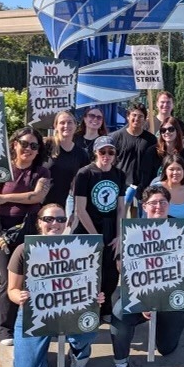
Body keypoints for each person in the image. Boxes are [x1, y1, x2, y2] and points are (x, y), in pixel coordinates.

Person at [108, 185, 184, 367]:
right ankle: (120, 363)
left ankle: (165, 329)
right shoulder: (132, 231)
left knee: (166, 348)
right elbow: (121, 266)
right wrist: (144, 300)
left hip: (177, 295)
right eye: (153, 202)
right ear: (144, 206)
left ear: (169, 204)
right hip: (141, 292)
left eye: (163, 202)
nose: (158, 206)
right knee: (119, 315)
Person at [7, 203, 105, 367]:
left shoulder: (79, 249)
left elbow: (89, 284)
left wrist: (95, 298)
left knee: (89, 325)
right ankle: (33, 357)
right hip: (34, 313)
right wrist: (18, 296)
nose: (55, 223)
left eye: (60, 219)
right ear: (39, 222)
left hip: (71, 309)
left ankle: (79, 353)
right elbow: (11, 289)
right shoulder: (24, 250)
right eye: (49, 219)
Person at [0, 126, 50, 346]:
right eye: (24, 143)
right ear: (14, 144)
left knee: (28, 276)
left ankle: (30, 319)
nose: (28, 149)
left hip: (30, 228)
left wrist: (4, 198)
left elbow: (36, 196)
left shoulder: (42, 172)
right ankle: (2, 328)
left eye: (34, 145)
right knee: (7, 277)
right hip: (4, 229)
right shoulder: (1, 170)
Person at [74, 135, 125, 318]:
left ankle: (105, 307)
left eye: (111, 152)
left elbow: (121, 207)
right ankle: (86, 308)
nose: (106, 155)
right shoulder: (85, 174)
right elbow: (80, 209)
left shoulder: (119, 174)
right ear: (95, 152)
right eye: (102, 151)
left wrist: (119, 235)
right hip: (88, 227)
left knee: (110, 273)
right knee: (87, 270)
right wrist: (96, 238)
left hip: (110, 226)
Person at [43, 110, 88, 223]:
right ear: (55, 126)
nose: (66, 126)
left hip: (59, 207)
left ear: (75, 125)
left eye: (69, 122)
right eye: (62, 123)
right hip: (37, 203)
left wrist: (73, 212)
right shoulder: (46, 145)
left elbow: (80, 185)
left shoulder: (81, 154)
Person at [138, 117, 184, 198]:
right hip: (154, 196)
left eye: (171, 129)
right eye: (163, 130)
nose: (167, 132)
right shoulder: (152, 152)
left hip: (176, 196)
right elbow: (145, 178)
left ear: (177, 131)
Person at [112, 103, 157, 191]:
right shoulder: (116, 137)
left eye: (140, 116)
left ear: (145, 119)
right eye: (134, 115)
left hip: (143, 188)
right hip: (120, 186)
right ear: (128, 116)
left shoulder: (151, 140)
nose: (137, 118)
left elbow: (154, 164)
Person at [158, 154, 184, 222]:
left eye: (179, 169)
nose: (175, 172)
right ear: (165, 171)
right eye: (171, 169)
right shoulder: (156, 189)